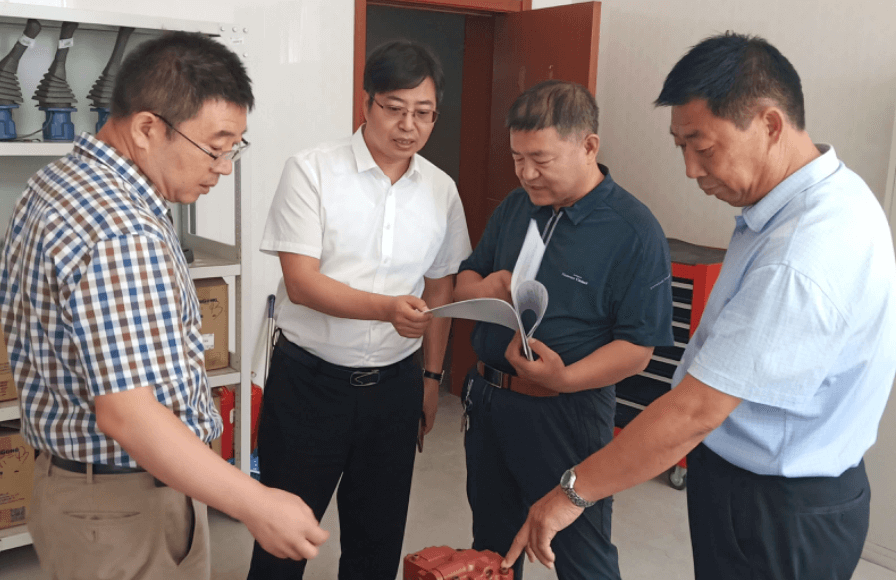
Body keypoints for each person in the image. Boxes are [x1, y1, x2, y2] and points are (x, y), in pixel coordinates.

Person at [502, 32, 896, 580]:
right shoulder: (820, 198)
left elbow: (694, 412)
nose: (690, 169)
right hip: (758, 488)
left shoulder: (802, 251)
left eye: (703, 147)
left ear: (770, 124)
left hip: (778, 508)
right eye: (680, 146)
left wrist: (571, 492)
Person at [0, 32, 329, 580]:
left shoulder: (56, 183)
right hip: (125, 505)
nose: (225, 166)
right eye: (216, 146)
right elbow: (129, 414)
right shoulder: (120, 228)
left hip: (83, 493)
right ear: (147, 128)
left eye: (235, 146)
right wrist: (256, 502)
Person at [248, 39, 471, 580]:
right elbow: (301, 283)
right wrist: (387, 309)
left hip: (395, 387)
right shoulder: (312, 171)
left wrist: (431, 378)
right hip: (309, 385)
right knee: (282, 540)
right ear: (366, 102)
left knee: (377, 541)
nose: (408, 125)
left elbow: (440, 285)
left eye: (423, 113)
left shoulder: (441, 189)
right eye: (394, 108)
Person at [454, 79, 673, 580]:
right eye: (517, 158)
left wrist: (565, 379)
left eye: (541, 159)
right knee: (491, 550)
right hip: (490, 401)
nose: (526, 173)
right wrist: (485, 287)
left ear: (588, 146)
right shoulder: (515, 207)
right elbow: (466, 280)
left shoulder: (633, 231)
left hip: (566, 412)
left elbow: (637, 349)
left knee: (580, 556)